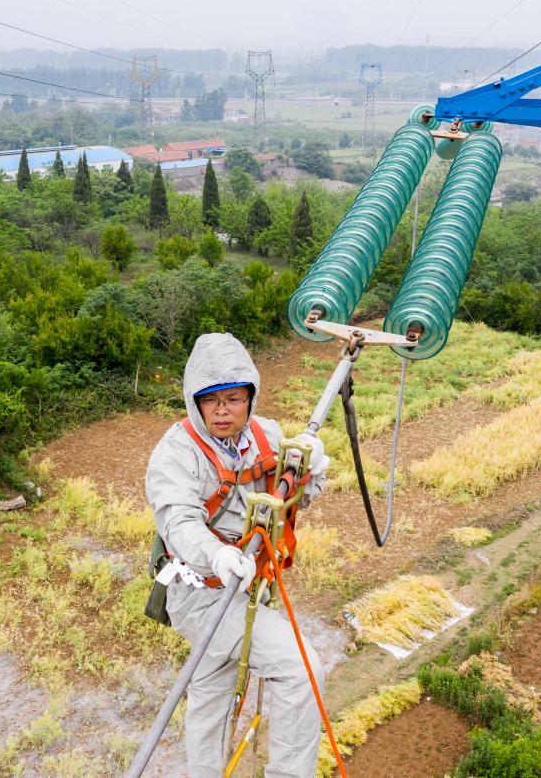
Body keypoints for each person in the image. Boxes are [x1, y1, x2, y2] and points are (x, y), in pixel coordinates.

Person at [145, 332, 330, 778]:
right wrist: (217, 555)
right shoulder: (176, 453)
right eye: (211, 401)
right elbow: (178, 521)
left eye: (233, 398)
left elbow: (292, 500)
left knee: (210, 689)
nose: (223, 411)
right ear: (195, 402)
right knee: (301, 670)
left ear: (250, 397)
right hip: (202, 591)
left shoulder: (266, 436)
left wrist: (312, 472)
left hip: (249, 585)